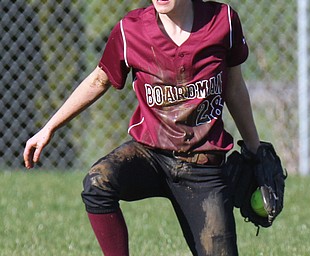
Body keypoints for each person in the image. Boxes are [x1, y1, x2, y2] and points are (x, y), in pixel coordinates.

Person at [24, 0, 261, 255]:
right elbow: (98, 79)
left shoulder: (222, 21)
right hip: (151, 156)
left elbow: (234, 88)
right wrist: (49, 127)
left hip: (202, 165)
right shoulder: (131, 30)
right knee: (98, 182)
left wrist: (255, 150)